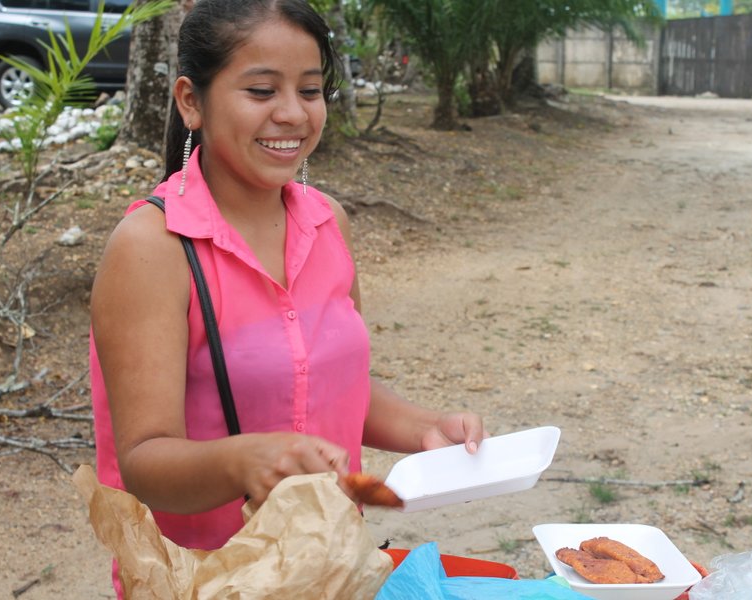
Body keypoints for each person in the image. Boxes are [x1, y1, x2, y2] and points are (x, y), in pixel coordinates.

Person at [89, 0, 486, 593]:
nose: (293, 114)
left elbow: (330, 384)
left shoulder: (328, 222)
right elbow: (144, 461)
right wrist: (246, 460)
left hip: (326, 566)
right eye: (261, 91)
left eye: (310, 89)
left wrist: (427, 427)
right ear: (191, 101)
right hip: (205, 579)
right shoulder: (152, 247)